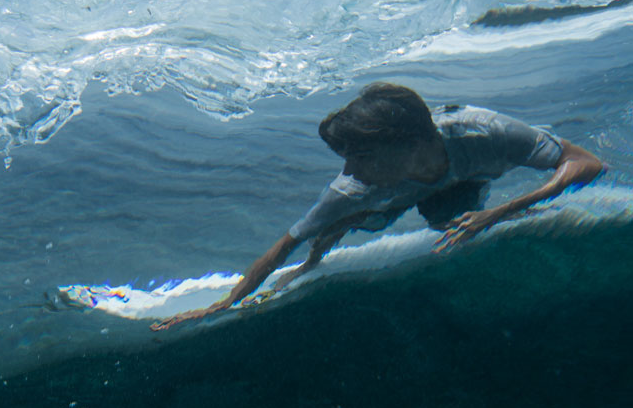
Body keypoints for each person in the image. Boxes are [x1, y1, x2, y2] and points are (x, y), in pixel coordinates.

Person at [151, 83, 603, 331]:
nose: (350, 169)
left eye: (361, 156)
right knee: (342, 222)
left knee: (448, 218)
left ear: (409, 145)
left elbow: (585, 161)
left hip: (461, 177)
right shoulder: (353, 188)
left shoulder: (485, 134)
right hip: (403, 191)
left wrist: (501, 212)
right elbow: (283, 244)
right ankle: (321, 257)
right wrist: (223, 304)